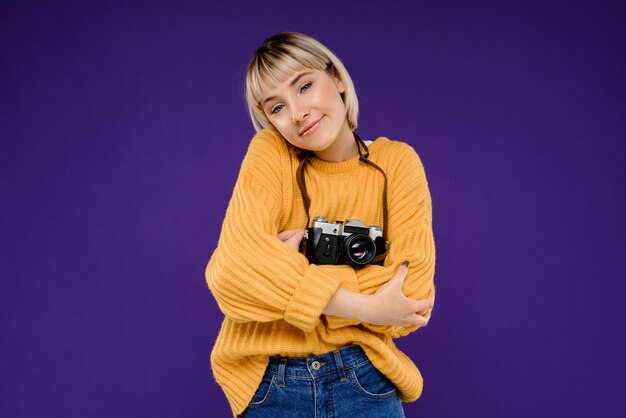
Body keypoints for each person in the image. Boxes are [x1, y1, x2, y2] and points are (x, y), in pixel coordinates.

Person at [205, 32, 436, 418]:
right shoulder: (270, 153)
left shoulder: (396, 162)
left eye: (305, 86)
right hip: (268, 382)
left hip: (366, 379)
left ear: (338, 79)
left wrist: (279, 276)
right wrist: (369, 307)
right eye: (276, 107)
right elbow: (229, 274)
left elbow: (412, 293)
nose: (297, 113)